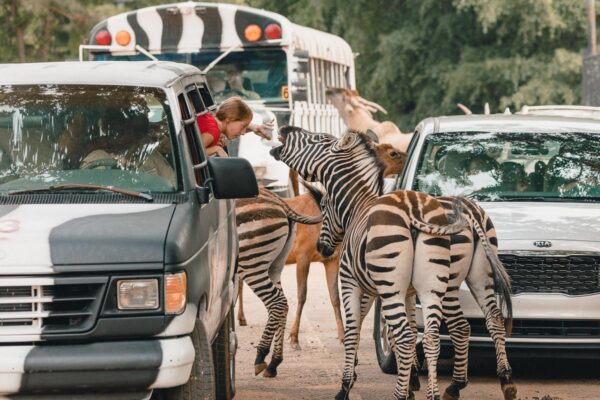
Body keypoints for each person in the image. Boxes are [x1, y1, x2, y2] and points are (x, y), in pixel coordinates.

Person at [197, 96, 273, 157]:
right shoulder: (212, 132)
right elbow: (193, 155)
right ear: (230, 118)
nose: (243, 133)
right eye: (243, 126)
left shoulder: (213, 122)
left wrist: (253, 127)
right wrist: (216, 149)